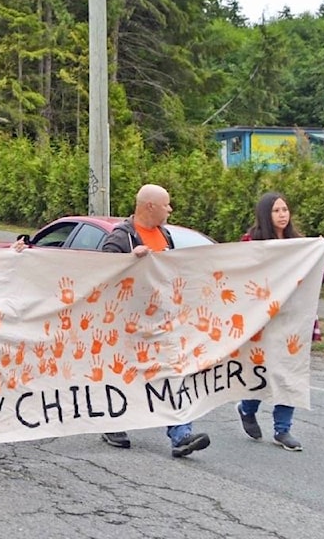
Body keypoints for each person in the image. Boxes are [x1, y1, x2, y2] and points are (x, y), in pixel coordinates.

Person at [98, 183, 211, 458]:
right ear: (150, 206)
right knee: (125, 376)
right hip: (128, 325)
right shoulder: (121, 239)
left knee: (172, 374)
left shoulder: (165, 236)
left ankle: (181, 435)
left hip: (162, 321)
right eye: (166, 204)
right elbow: (101, 277)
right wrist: (128, 260)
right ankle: (112, 422)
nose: (170, 209)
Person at [236, 192, 306, 451]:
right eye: (276, 210)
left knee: (288, 372)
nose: (282, 215)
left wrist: (320, 250)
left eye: (285, 209)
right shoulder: (252, 241)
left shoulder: (299, 243)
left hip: (291, 319)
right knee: (262, 371)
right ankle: (247, 408)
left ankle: (282, 430)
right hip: (261, 319)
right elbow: (240, 271)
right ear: (266, 214)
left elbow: (323, 267)